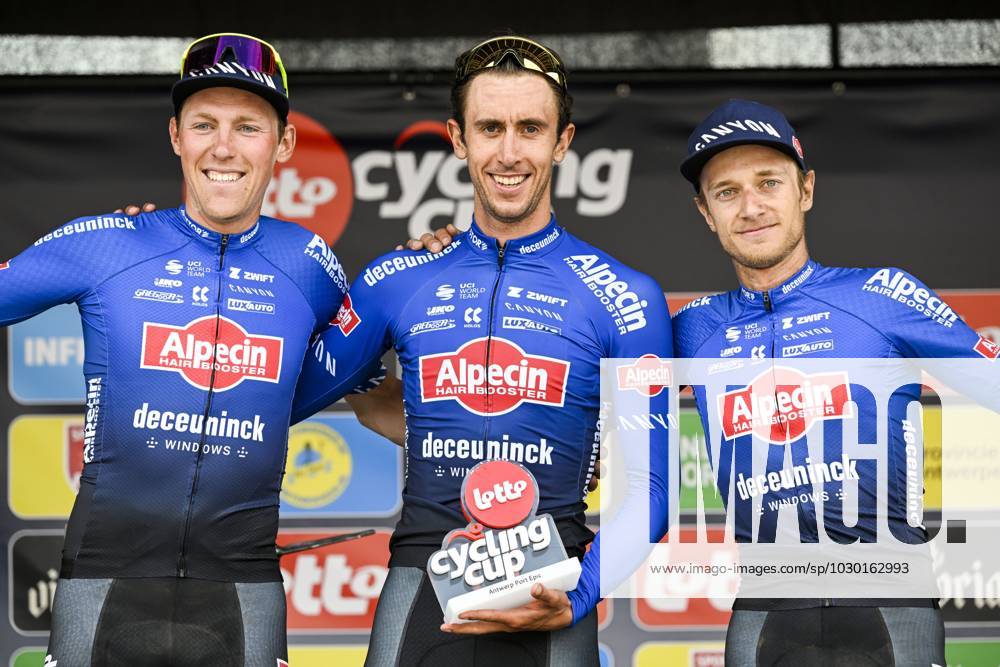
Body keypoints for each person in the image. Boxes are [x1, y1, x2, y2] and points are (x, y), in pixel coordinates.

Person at [0, 33, 394, 666]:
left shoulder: (311, 265)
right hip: (103, 579)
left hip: (241, 592)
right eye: (204, 123)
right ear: (176, 135)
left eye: (248, 126)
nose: (223, 147)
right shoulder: (107, 245)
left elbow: (380, 404)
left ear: (284, 143)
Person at [290, 35, 671, 666]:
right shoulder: (398, 278)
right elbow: (287, 391)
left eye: (531, 128)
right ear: (458, 138)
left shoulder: (625, 296)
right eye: (490, 127)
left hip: (553, 593)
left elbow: (651, 487)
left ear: (563, 141)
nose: (509, 151)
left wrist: (581, 598)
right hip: (420, 588)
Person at [671, 99, 999, 665]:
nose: (751, 207)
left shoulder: (881, 295)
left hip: (891, 604)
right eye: (727, 192)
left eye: (768, 183)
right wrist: (464, 266)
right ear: (705, 211)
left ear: (806, 191)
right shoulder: (691, 329)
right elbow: (575, 381)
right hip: (764, 612)